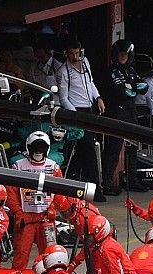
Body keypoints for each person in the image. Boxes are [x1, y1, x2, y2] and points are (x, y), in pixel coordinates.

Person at [101, 39, 150, 195]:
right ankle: (107, 183)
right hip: (116, 113)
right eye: (121, 54)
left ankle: (132, 180)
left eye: (125, 54)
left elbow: (144, 87)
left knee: (133, 147)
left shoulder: (131, 70)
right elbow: (124, 92)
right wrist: (132, 87)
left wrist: (131, 86)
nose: (123, 56)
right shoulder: (112, 71)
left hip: (131, 112)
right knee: (113, 149)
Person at [57, 40, 106, 195]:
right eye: (71, 53)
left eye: (77, 53)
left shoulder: (85, 63)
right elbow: (63, 97)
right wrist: (75, 114)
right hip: (76, 110)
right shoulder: (63, 71)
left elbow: (90, 83)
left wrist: (98, 97)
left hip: (90, 107)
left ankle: (72, 176)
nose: (74, 56)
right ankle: (96, 189)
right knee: (90, 148)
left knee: (83, 149)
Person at [8, 130, 60, 269]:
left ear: (47, 149)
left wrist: (53, 209)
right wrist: (18, 213)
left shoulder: (53, 167)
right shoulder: (18, 166)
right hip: (26, 217)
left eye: (41, 148)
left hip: (46, 217)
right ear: (28, 148)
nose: (38, 151)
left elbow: (60, 192)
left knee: (50, 254)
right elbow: (11, 193)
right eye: (35, 147)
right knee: (21, 253)